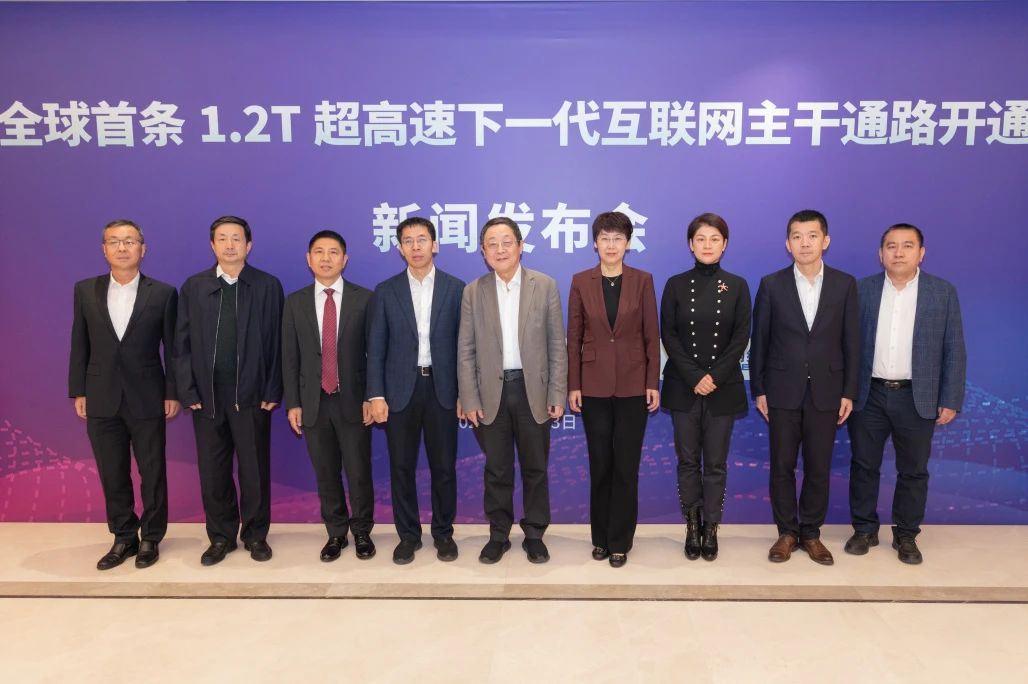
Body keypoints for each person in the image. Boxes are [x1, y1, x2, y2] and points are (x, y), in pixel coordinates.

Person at [845, 223, 966, 564]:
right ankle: (864, 529)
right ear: (880, 253)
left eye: (907, 246)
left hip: (917, 396)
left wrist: (950, 398)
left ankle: (906, 534)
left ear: (921, 253)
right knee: (863, 465)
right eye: (891, 246)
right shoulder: (862, 290)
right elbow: (846, 346)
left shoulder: (942, 293)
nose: (898, 253)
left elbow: (954, 349)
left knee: (913, 471)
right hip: (869, 394)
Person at [750, 209, 859, 566]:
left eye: (812, 236)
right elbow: (760, 341)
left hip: (827, 390)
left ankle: (811, 533)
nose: (805, 243)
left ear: (825, 241)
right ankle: (787, 532)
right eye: (797, 236)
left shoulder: (844, 284)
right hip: (781, 390)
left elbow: (852, 342)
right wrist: (759, 389)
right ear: (788, 244)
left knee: (818, 466)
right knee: (781, 465)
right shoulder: (771, 284)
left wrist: (849, 391)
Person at [69, 219, 179, 570]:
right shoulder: (85, 290)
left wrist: (173, 391)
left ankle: (151, 537)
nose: (122, 247)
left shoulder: (163, 293)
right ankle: (123, 536)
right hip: (100, 395)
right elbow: (79, 343)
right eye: (114, 241)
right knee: (112, 471)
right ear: (104, 250)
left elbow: (174, 349)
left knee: (152, 471)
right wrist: (79, 390)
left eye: (129, 241)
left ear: (142, 249)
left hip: (148, 395)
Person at [457, 217, 568, 564]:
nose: (500, 249)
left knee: (536, 467)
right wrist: (469, 397)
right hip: (491, 393)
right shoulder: (473, 291)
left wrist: (557, 393)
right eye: (492, 244)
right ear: (483, 252)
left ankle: (534, 533)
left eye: (507, 242)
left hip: (533, 390)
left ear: (520, 246)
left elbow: (556, 344)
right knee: (497, 469)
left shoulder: (544, 285)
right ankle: (499, 534)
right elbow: (465, 349)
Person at [175, 216, 283, 566]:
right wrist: (187, 390)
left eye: (236, 238)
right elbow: (180, 344)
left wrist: (273, 387)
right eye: (222, 238)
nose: (230, 245)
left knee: (254, 470)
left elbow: (278, 341)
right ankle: (221, 537)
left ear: (248, 245)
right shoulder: (195, 287)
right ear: (212, 245)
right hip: (207, 397)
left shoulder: (266, 286)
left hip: (252, 395)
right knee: (213, 471)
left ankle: (255, 535)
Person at [366, 217, 464, 564]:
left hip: (442, 389)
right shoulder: (386, 290)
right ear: (400, 248)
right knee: (402, 468)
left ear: (435, 245)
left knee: (444, 468)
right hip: (399, 392)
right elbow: (376, 347)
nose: (416, 246)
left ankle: (443, 533)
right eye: (408, 241)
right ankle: (408, 536)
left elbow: (464, 347)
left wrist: (465, 394)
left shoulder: (456, 288)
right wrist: (376, 395)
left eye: (422, 239)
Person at [566, 211, 660, 568]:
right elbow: (574, 336)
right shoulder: (580, 281)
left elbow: (652, 335)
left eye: (618, 238)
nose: (611, 244)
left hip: (634, 385)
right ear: (595, 243)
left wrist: (652, 383)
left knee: (626, 466)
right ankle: (601, 538)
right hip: (593, 386)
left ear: (627, 243)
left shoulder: (643, 280)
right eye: (604, 238)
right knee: (600, 464)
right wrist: (574, 385)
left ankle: (621, 540)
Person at [660, 213, 751, 562]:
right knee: (687, 461)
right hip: (684, 387)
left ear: (725, 244)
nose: (707, 245)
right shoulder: (675, 285)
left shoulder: (738, 286)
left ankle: (711, 526)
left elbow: (740, 337)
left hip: (722, 388)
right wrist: (694, 376)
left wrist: (713, 376)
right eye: (701, 239)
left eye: (714, 239)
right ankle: (692, 524)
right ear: (690, 244)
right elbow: (669, 334)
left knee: (715, 463)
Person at [282, 230, 376, 562]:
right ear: (308, 260)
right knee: (325, 471)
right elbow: (289, 357)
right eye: (319, 252)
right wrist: (293, 402)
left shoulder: (365, 299)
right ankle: (336, 532)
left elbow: (374, 354)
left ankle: (362, 530)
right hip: (313, 402)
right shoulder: (294, 302)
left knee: (358, 470)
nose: (326, 258)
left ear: (344, 259)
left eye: (333, 252)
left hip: (354, 400)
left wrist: (371, 396)